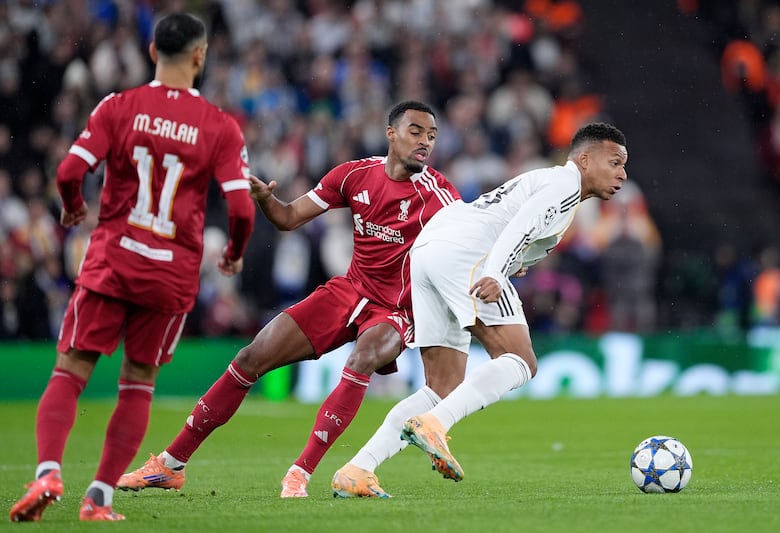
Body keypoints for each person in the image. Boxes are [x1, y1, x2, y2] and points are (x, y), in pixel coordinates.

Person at [117, 100, 460, 498]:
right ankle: (170, 465)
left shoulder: (438, 194)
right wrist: (265, 199)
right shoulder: (353, 175)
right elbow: (289, 217)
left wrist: (500, 263)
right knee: (250, 358)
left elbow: (471, 237)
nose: (425, 143)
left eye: (432, 136)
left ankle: (300, 473)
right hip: (349, 290)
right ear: (391, 133)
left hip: (396, 309)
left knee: (362, 358)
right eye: (416, 131)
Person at [8, 13, 256, 522]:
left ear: (150, 53)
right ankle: (99, 496)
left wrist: (74, 205)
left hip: (114, 260)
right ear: (199, 57)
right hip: (171, 273)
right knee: (137, 382)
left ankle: (48, 472)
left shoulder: (118, 107)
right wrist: (234, 250)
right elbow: (241, 207)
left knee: (71, 370)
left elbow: (69, 170)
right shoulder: (219, 126)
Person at [332, 122, 628, 496]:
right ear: (584, 160)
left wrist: (514, 262)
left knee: (442, 386)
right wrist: (497, 272)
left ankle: (358, 469)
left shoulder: (554, 187)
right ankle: (435, 425)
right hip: (469, 254)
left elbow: (519, 229)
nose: (622, 174)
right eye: (615, 162)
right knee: (521, 360)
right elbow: (518, 226)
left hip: (430, 251)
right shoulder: (565, 184)